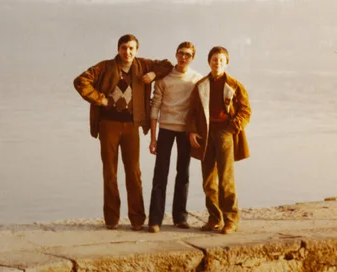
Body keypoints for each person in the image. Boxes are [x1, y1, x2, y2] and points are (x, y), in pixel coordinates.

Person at [73, 34, 173, 231]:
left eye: (131, 48)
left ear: (136, 50)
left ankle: (137, 219)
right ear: (118, 49)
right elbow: (80, 81)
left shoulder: (143, 65)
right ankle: (111, 219)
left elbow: (168, 65)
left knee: (133, 172)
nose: (127, 52)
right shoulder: (104, 67)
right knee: (110, 171)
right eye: (124, 48)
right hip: (108, 125)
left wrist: (153, 75)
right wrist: (100, 99)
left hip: (131, 127)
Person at [186, 46, 251, 235]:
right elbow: (192, 112)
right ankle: (214, 218)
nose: (218, 63)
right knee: (208, 181)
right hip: (205, 136)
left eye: (221, 60)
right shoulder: (201, 85)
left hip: (225, 135)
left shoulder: (235, 85)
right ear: (209, 62)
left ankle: (231, 219)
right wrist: (191, 131)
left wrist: (233, 127)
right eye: (215, 59)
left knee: (226, 180)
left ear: (227, 63)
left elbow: (246, 111)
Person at [147, 42, 202, 233]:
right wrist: (153, 138)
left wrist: (196, 131)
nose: (183, 57)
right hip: (166, 129)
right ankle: (155, 220)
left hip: (185, 131)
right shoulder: (164, 78)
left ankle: (180, 217)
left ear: (192, 57)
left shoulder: (197, 79)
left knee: (183, 173)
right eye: (180, 53)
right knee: (160, 173)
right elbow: (155, 107)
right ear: (176, 54)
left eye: (187, 54)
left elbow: (199, 110)